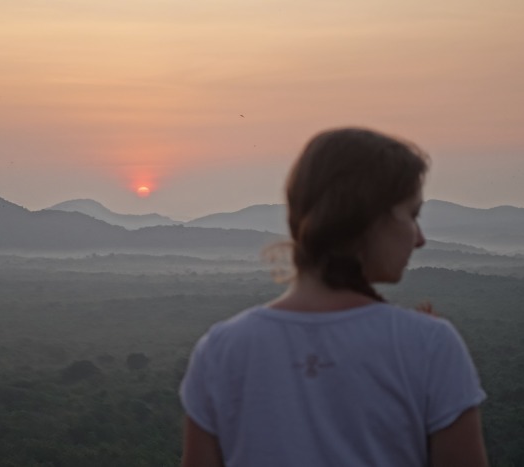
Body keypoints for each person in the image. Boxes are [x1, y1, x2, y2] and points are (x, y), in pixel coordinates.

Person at [179, 128, 488, 467]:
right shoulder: (430, 345)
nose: (420, 239)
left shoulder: (221, 351)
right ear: (367, 219)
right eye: (411, 216)